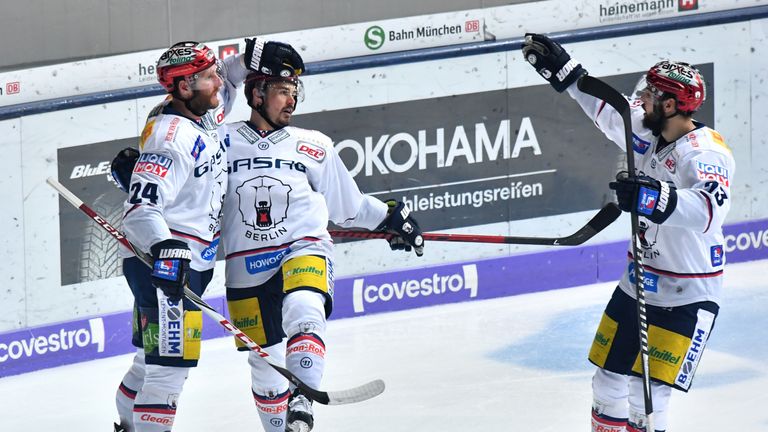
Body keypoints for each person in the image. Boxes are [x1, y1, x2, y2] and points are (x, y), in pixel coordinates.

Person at [522, 34, 735, 432]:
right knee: (606, 382)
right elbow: (608, 111)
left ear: (671, 105)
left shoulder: (706, 153)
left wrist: (651, 197)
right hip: (637, 282)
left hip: (689, 292)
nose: (643, 100)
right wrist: (566, 73)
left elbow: (708, 211)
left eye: (651, 96)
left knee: (646, 395)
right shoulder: (647, 125)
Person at [109, 38, 304, 432]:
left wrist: (257, 54)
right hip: (162, 265)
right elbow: (140, 211)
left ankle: (127, 425)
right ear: (184, 87)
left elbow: (233, 75)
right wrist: (166, 248)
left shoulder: (204, 111)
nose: (220, 82)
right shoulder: (171, 138)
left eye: (215, 72)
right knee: (168, 371)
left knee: (151, 359)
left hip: (186, 263)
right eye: (209, 77)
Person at [219, 68, 424, 432]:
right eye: (283, 91)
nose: (292, 99)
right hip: (244, 264)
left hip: (302, 248)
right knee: (263, 363)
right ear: (256, 95)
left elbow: (348, 206)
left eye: (295, 92)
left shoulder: (313, 144)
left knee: (305, 308)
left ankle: (301, 396)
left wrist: (389, 218)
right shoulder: (220, 141)